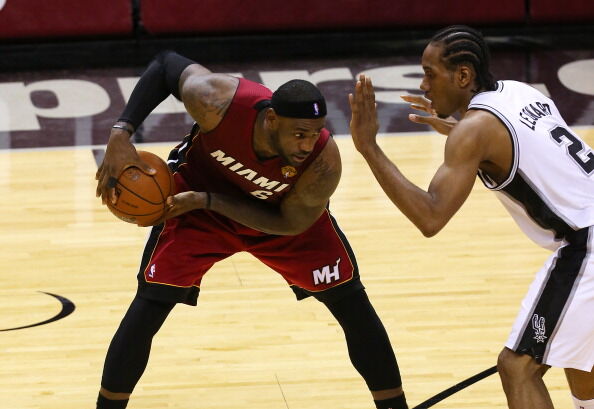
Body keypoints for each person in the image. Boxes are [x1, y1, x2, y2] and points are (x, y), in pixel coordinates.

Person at [95, 51, 409, 409]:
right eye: (299, 134)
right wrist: (121, 133)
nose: (307, 145)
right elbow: (165, 64)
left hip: (276, 216)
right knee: (152, 300)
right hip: (196, 204)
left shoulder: (322, 164)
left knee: (350, 301)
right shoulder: (219, 102)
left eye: (316, 134)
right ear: (272, 119)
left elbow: (291, 224)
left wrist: (209, 200)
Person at [349, 25, 594, 409]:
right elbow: (524, 146)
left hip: (587, 245)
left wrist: (369, 148)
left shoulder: (475, 130)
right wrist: (457, 129)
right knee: (576, 349)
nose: (425, 86)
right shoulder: (519, 91)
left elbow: (430, 217)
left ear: (463, 76)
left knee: (517, 368)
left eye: (430, 74)